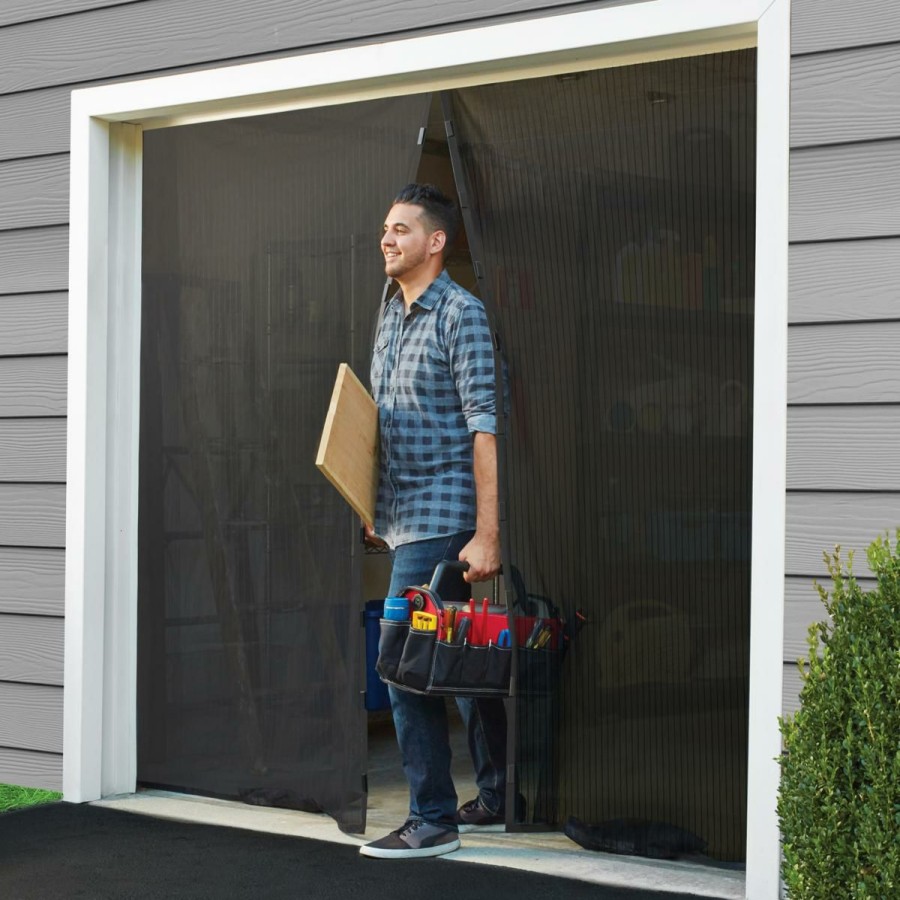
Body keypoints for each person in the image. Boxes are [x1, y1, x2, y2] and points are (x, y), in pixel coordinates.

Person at [359, 184, 508, 860]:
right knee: (450, 659)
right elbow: (382, 420)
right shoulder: (390, 312)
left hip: (445, 511)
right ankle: (502, 793)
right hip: (403, 513)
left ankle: (433, 819)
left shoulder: (461, 314)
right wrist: (374, 507)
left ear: (436, 241)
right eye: (385, 230)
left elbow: (484, 428)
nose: (387, 240)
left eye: (401, 230)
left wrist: (487, 532)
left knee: (401, 661)